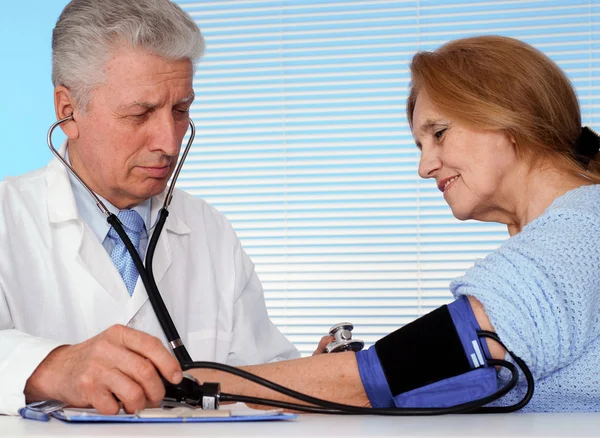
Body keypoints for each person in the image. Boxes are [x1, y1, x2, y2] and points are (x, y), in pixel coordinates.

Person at [186, 35, 600, 413]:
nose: (424, 166)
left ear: (512, 115)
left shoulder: (580, 232)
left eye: (438, 133)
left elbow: (391, 376)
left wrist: (188, 386)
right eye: (421, 145)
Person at [0, 0, 299, 416]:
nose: (170, 142)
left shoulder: (210, 231)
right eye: (140, 113)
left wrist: (313, 374)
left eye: (180, 110)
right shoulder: (5, 218)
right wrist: (50, 367)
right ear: (68, 111)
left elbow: (260, 374)